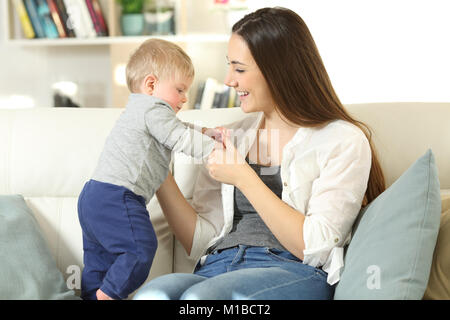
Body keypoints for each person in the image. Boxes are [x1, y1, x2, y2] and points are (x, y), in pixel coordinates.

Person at [133, 7, 386, 300]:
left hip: (292, 271)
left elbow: (317, 246)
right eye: (229, 66)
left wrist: (244, 177)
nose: (229, 80)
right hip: (217, 267)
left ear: (278, 71)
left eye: (239, 69)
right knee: (153, 295)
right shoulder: (234, 136)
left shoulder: (342, 140)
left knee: (201, 301)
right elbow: (201, 240)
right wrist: (158, 168)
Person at [77, 38, 221, 300]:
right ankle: (108, 296)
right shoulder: (153, 108)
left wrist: (206, 132)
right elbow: (179, 138)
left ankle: (93, 296)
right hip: (118, 197)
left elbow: (178, 130)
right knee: (140, 248)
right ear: (151, 84)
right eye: (180, 89)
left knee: (99, 263)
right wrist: (215, 150)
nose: (185, 98)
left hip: (93, 197)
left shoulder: (140, 110)